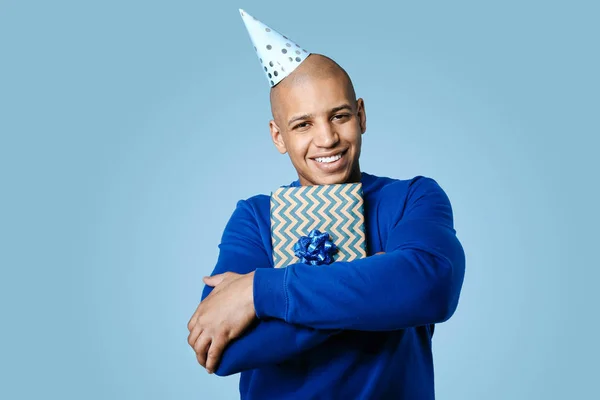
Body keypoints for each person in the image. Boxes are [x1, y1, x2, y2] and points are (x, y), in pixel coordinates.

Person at [187, 9, 466, 399]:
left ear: (361, 115)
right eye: (303, 124)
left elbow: (432, 287)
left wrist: (259, 292)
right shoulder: (254, 218)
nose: (327, 138)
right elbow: (223, 348)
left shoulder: (413, 198)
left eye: (339, 116)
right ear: (278, 136)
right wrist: (379, 288)